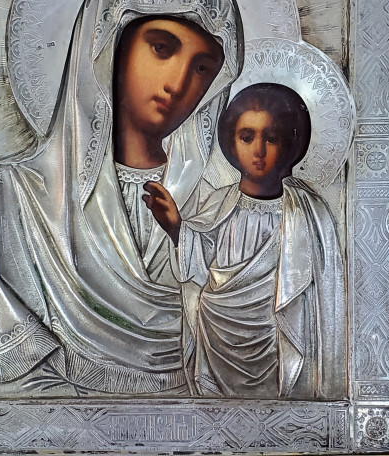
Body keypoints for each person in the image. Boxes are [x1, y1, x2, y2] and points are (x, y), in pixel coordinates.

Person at [0, 0, 243, 397]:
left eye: (202, 67)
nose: (178, 82)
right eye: (161, 48)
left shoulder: (216, 209)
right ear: (108, 47)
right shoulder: (12, 195)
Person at [145, 83, 347, 399]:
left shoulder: (310, 213)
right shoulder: (218, 205)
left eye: (272, 138)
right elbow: (198, 267)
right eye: (247, 137)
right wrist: (176, 228)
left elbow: (324, 292)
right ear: (231, 141)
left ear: (291, 143)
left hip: (279, 340)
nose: (259, 150)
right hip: (216, 340)